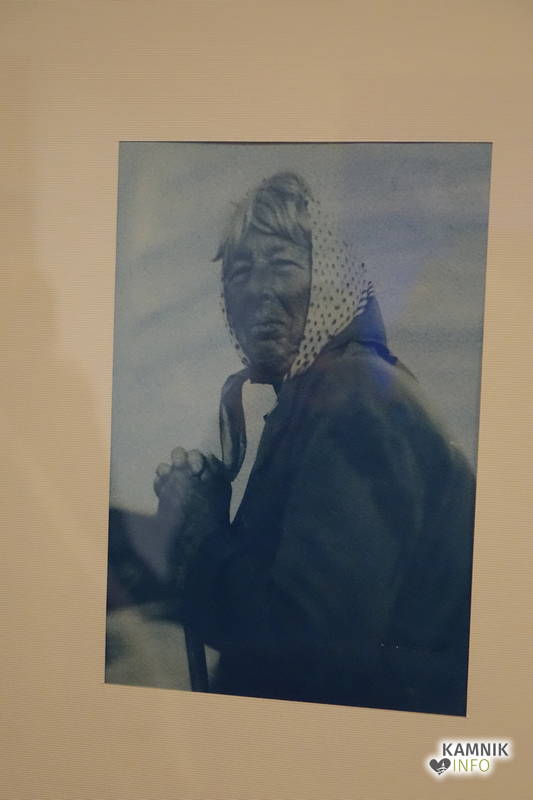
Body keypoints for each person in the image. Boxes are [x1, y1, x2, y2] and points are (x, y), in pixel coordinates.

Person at [152, 172, 475, 714]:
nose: (258, 289)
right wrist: (203, 515)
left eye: (282, 264)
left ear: (331, 280)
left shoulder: (355, 401)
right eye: (240, 271)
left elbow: (307, 649)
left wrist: (202, 533)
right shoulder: (323, 395)